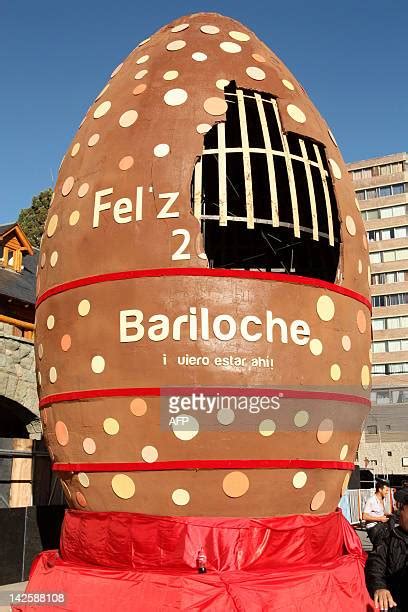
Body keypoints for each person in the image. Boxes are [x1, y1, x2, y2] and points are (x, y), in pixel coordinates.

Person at [365, 494, 408, 610]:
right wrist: (379, 587)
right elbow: (375, 566)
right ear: (401, 511)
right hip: (395, 603)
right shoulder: (388, 539)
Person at [363, 480, 391, 549]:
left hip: (381, 526)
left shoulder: (383, 499)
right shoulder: (371, 500)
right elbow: (364, 516)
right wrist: (380, 519)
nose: (387, 492)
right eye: (386, 490)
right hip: (373, 527)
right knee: (381, 546)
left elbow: (380, 513)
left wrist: (390, 514)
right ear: (380, 489)